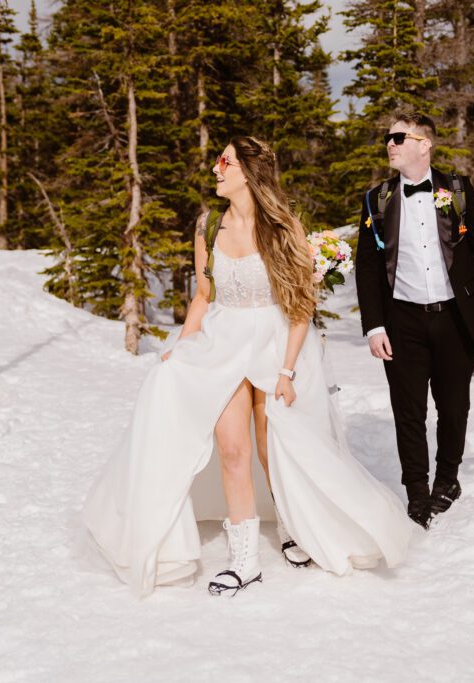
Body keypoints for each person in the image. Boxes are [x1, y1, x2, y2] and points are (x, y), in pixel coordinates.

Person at [79, 136, 413, 597]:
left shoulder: (283, 228)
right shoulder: (208, 226)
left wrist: (288, 372)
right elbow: (203, 295)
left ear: (250, 172)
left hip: (276, 346)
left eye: (226, 161)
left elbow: (300, 306)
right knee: (232, 450)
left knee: (269, 446)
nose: (216, 169)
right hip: (222, 344)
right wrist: (182, 345)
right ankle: (244, 558)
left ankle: (295, 526)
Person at [354, 112, 474, 529]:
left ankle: (448, 479)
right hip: (401, 321)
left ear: (425, 144)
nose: (390, 143)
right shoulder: (378, 199)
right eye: (387, 138)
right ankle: (417, 492)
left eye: (398, 137)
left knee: (453, 406)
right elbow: (368, 269)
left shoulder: (458, 190)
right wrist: (374, 326)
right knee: (408, 411)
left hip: (454, 318)